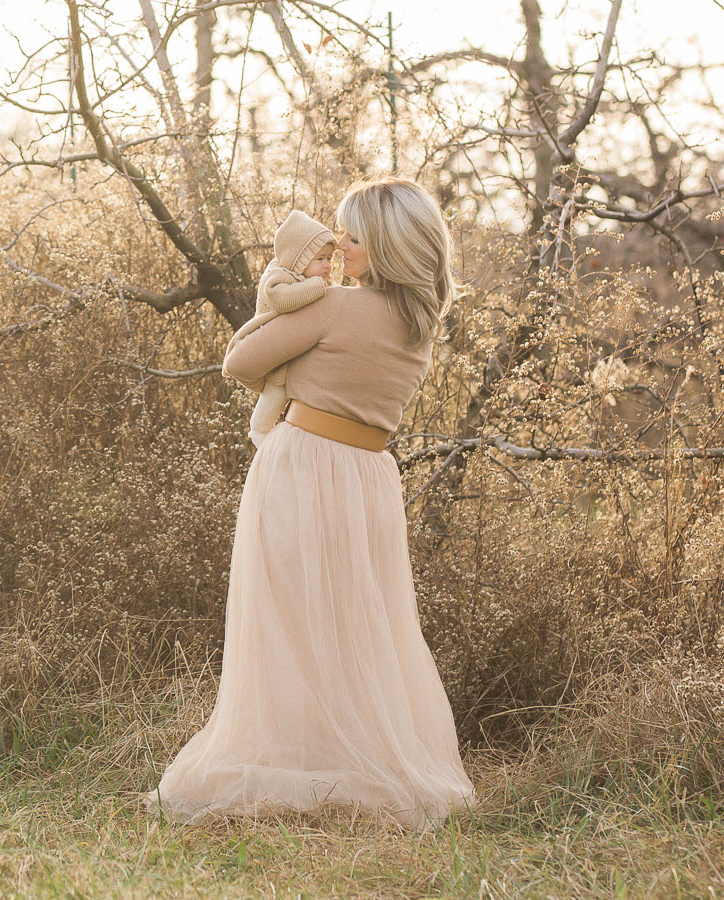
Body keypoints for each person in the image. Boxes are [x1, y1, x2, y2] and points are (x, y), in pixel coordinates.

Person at [146, 177, 477, 827]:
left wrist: (283, 293)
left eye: (352, 236)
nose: (341, 247)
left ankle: (296, 763)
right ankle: (347, 762)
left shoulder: (330, 306)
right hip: (369, 479)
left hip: (302, 467)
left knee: (289, 625)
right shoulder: (421, 324)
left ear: (384, 245)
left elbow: (240, 361)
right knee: (356, 628)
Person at [224, 208, 339, 447]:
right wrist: (318, 286)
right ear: (298, 258)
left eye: (329, 259)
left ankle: (285, 441)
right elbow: (282, 300)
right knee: (273, 396)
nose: (327, 265)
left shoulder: (310, 278)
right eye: (320, 259)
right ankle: (259, 434)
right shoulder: (277, 275)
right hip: (276, 358)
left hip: (297, 358)